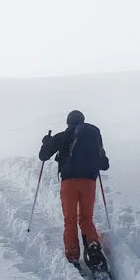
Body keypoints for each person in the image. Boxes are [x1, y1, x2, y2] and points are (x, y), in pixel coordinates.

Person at [38, 111, 110, 271]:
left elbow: (43, 156)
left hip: (69, 183)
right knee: (86, 218)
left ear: (68, 122)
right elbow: (104, 165)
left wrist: (46, 142)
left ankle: (72, 255)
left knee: (70, 219)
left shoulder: (63, 136)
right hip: (89, 182)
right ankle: (93, 246)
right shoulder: (92, 138)